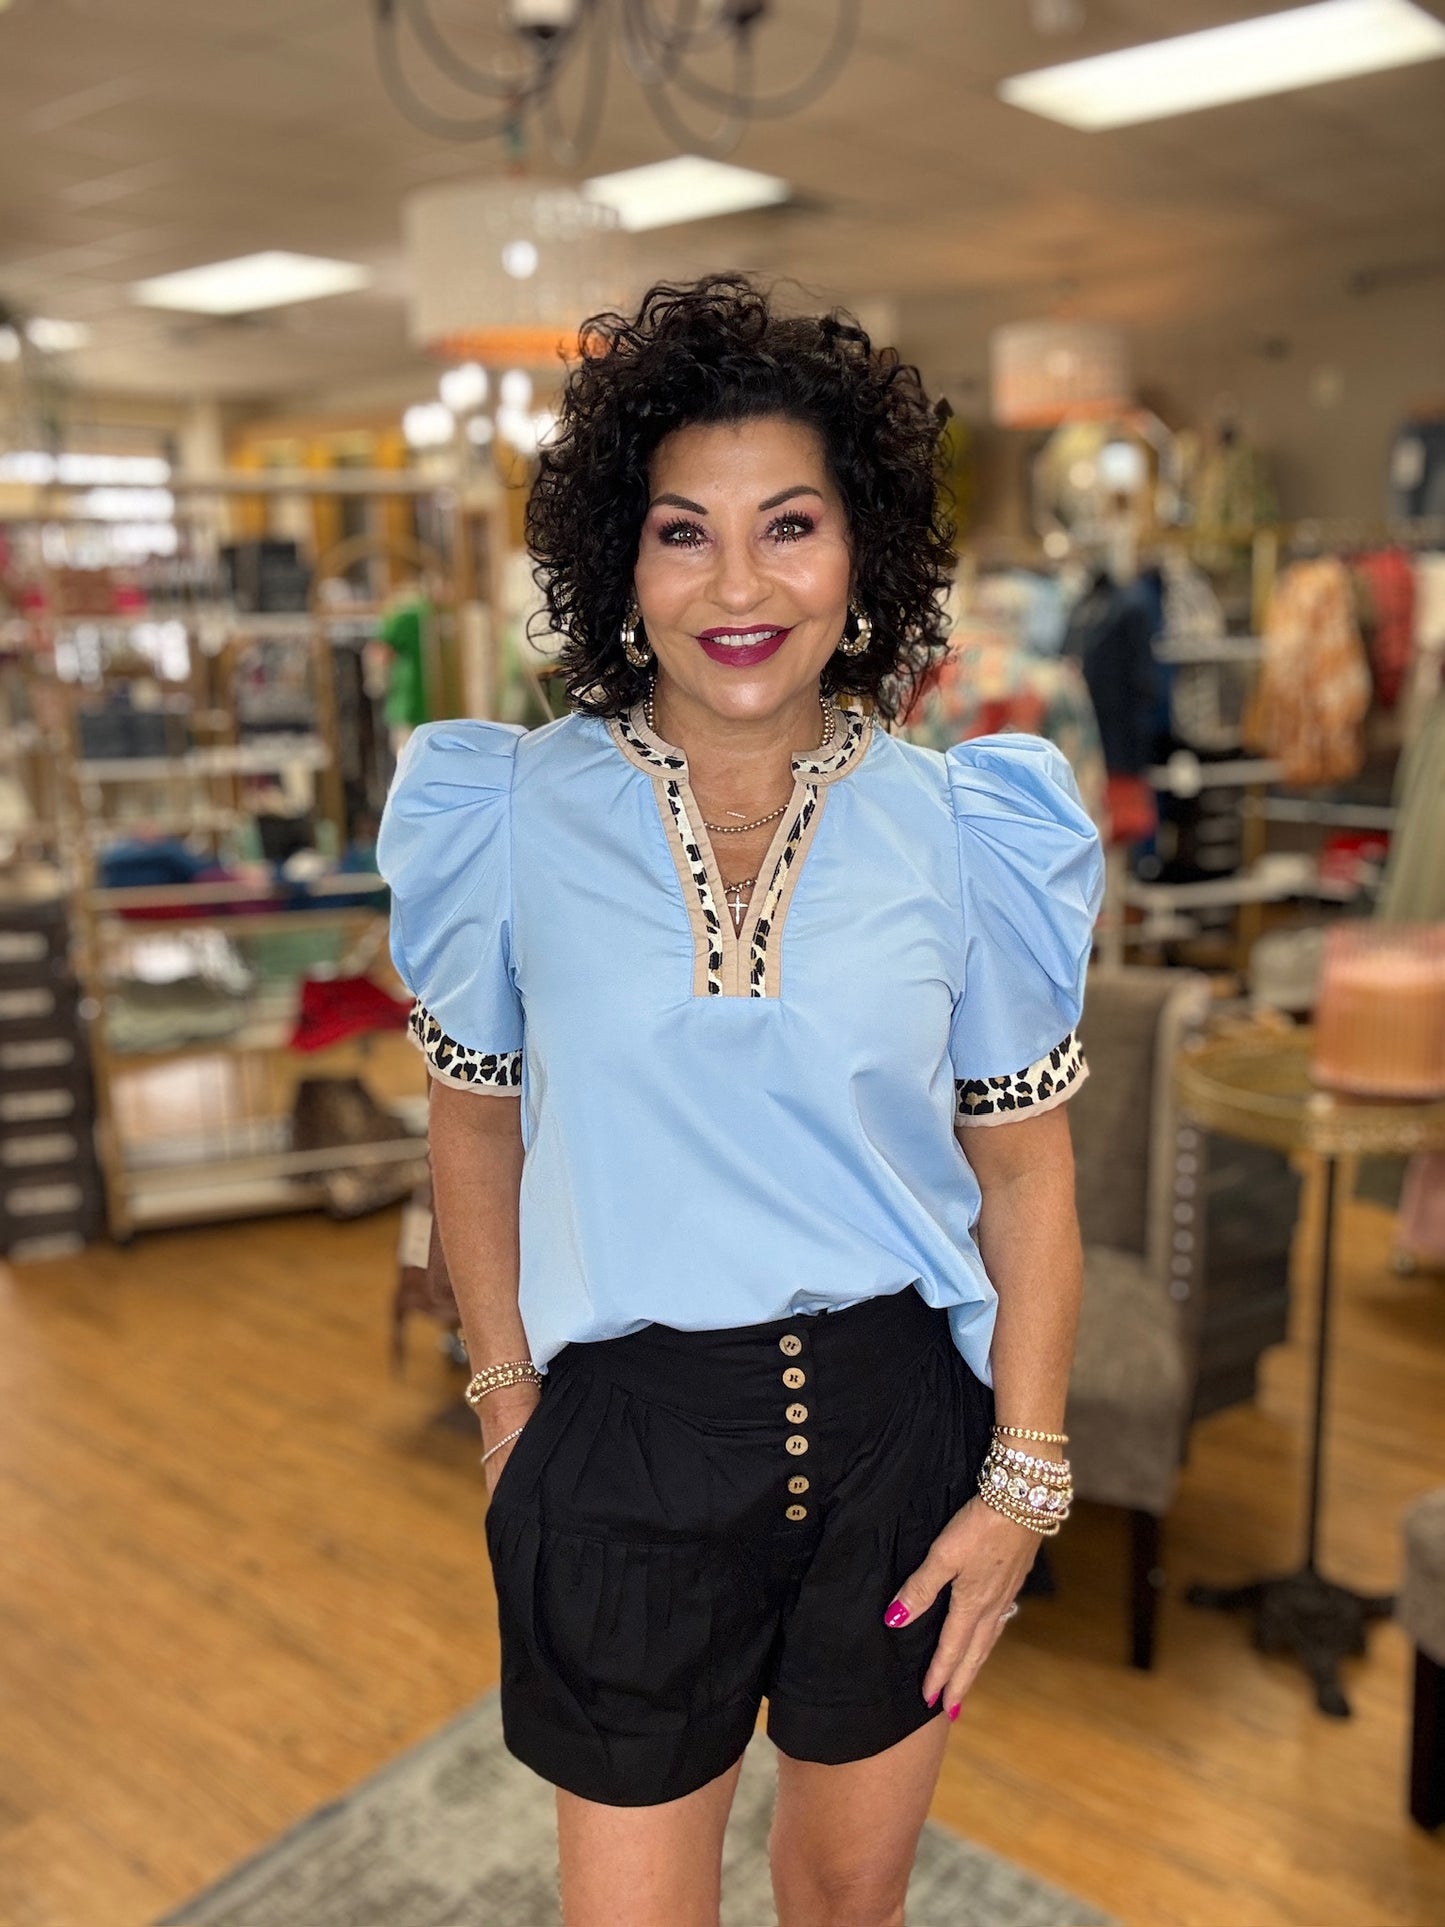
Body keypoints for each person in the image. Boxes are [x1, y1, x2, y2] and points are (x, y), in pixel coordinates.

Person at [378, 275, 1103, 1927]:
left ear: (862, 555)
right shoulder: (504, 813)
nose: (739, 584)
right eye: (682, 532)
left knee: (850, 1905)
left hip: (899, 1437)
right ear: (620, 566)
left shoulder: (967, 827)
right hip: (623, 1437)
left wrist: (1022, 1480)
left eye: (788, 525)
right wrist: (502, 1403)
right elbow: (473, 1123)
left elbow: (1029, 1173)